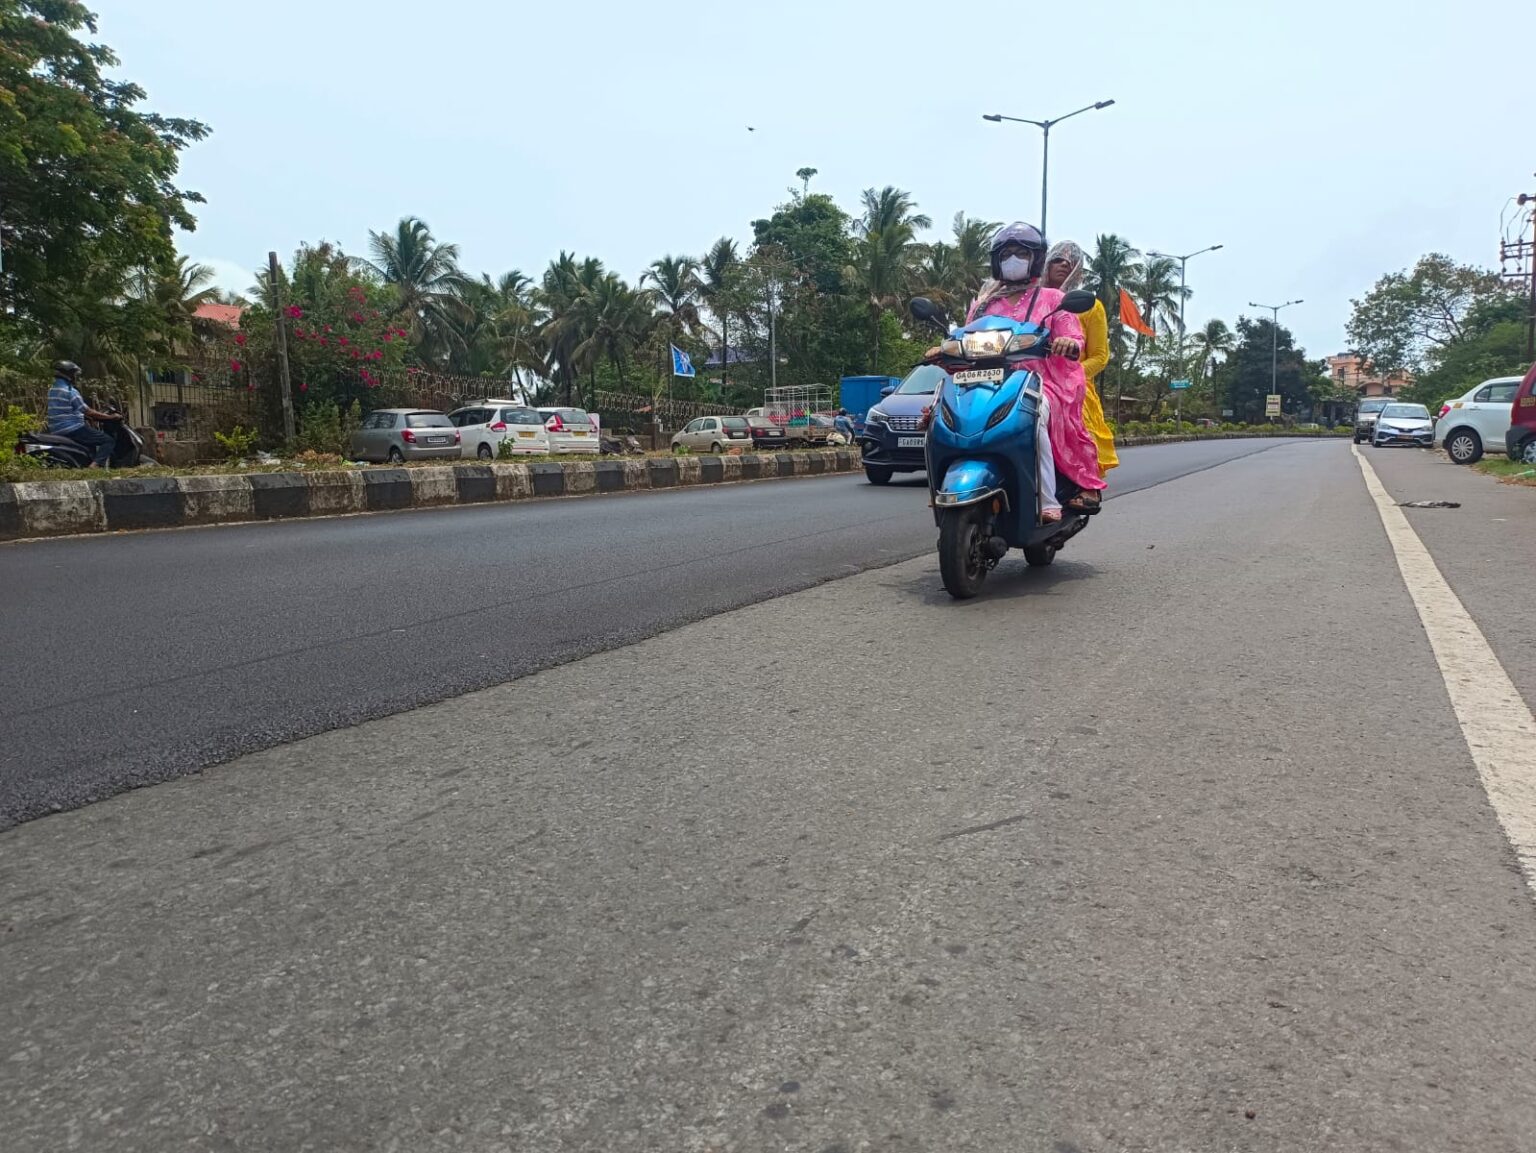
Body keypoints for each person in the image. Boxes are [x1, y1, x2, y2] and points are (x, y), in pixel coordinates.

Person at [964, 223, 1106, 522]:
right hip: (984, 381)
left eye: (1021, 253)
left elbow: (1074, 336)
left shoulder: (1052, 299)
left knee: (1033, 413)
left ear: (1035, 259)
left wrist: (1069, 342)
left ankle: (1047, 499)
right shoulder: (984, 304)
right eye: (1006, 254)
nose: (1013, 259)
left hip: (1037, 381)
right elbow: (965, 338)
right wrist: (942, 349)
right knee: (940, 412)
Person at [1043, 240, 1119, 478]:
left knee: (1082, 444)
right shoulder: (1031, 301)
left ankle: (1083, 488)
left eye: (1071, 262)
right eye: (1058, 260)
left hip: (1073, 386)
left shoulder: (1091, 307)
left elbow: (1100, 357)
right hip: (1031, 379)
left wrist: (1067, 377)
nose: (1064, 265)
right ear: (1046, 265)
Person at [46, 361, 120, 468]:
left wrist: (87, 417)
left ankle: (86, 463)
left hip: (56, 429)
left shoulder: (52, 390)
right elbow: (87, 411)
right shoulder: (70, 391)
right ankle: (94, 466)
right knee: (108, 441)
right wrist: (110, 417)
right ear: (69, 374)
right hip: (72, 429)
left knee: (90, 441)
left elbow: (65, 410)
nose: (75, 377)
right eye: (74, 374)